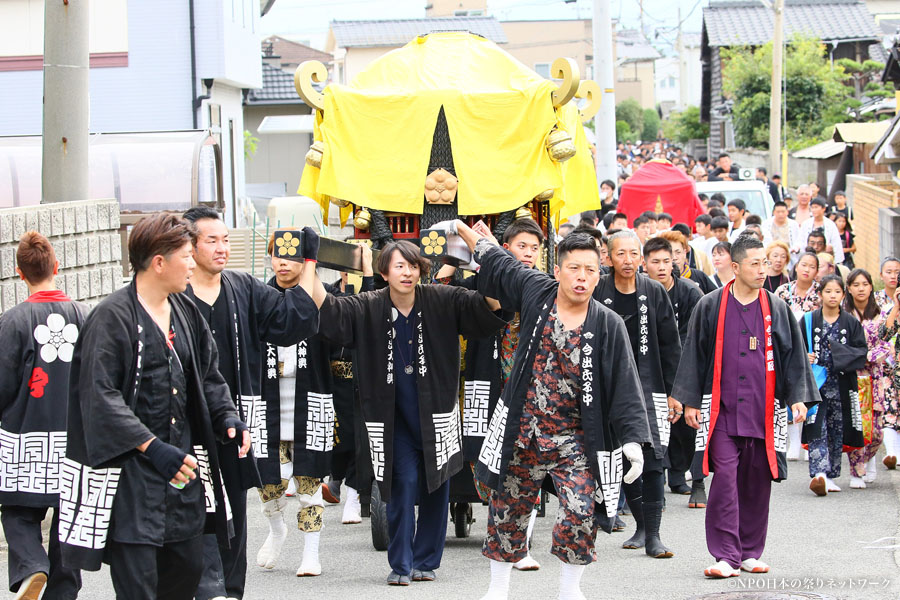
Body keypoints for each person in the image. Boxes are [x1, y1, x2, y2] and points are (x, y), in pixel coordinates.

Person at [452, 227, 651, 600]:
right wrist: (463, 228)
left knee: (580, 510)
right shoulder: (537, 291)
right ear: (557, 271)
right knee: (507, 510)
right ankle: (498, 588)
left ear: (599, 275)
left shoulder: (607, 323)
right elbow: (499, 261)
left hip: (575, 438)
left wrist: (632, 439)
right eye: (574, 268)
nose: (582, 277)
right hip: (522, 431)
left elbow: (625, 384)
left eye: (590, 271)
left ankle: (570, 591)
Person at [60, 214, 251, 599]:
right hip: (131, 477)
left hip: (181, 473)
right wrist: (150, 446)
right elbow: (99, 395)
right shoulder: (112, 317)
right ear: (159, 262)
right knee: (139, 586)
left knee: (187, 571)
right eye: (186, 255)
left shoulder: (184, 310)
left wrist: (227, 416)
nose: (193, 263)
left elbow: (208, 374)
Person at [313, 239, 506, 586]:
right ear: (384, 271)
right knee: (402, 485)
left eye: (413, 265)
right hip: (393, 420)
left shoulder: (443, 299)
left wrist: (486, 262)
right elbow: (329, 311)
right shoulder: (368, 306)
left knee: (438, 488)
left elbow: (489, 308)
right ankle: (400, 563)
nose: (407, 272)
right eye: (399, 266)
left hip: (439, 415)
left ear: (422, 270)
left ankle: (426, 561)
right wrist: (310, 264)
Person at [181, 207, 322, 600]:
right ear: (189, 246)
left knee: (233, 508)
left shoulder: (242, 289)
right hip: (186, 424)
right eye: (212, 240)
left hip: (237, 421)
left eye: (226, 239)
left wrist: (309, 262)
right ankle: (200, 588)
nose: (222, 248)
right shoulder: (175, 295)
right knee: (195, 510)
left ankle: (229, 590)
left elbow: (294, 318)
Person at [673, 233, 817, 578]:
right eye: (755, 263)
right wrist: (690, 402)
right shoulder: (710, 305)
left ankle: (750, 551)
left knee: (757, 481)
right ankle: (725, 554)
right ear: (735, 267)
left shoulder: (776, 308)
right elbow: (694, 353)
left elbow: (793, 355)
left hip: (763, 411)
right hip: (722, 411)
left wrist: (798, 397)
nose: (762, 269)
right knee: (724, 479)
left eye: (764, 262)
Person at [254, 230, 374, 576]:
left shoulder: (322, 298)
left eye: (292, 256)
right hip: (270, 403)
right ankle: (277, 530)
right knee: (269, 485)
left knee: (308, 485)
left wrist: (365, 275)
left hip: (311, 401)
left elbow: (360, 316)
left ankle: (311, 553)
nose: (282, 263)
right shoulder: (257, 296)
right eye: (277, 254)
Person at [438, 217, 547, 571]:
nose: (528, 254)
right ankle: (501, 529)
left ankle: (517, 544)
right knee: (479, 457)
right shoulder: (478, 282)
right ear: (504, 249)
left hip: (527, 390)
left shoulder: (543, 287)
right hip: (484, 383)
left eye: (534, 248)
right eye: (521, 247)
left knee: (525, 465)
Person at [0, 232, 85, 600]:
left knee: (18, 510)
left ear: (20, 273)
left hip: (25, 435)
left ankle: (33, 567)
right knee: (69, 521)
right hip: (75, 438)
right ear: (57, 267)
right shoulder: (86, 315)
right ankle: (62, 592)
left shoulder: (13, 320)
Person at [593, 231, 681, 558]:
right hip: (608, 389)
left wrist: (676, 393)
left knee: (654, 458)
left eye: (634, 254)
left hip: (650, 386)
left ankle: (654, 534)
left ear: (641, 257)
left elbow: (672, 347)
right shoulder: (598, 289)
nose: (628, 260)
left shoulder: (654, 292)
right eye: (621, 254)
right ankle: (640, 526)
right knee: (623, 459)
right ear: (608, 257)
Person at [642, 236, 707, 506]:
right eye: (655, 261)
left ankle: (687, 477)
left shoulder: (690, 292)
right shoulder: (639, 290)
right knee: (654, 422)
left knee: (687, 424)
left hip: (685, 364)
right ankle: (657, 479)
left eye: (666, 261)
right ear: (644, 264)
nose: (661, 267)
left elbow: (699, 333)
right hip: (650, 365)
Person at [802, 275, 867, 496]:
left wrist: (839, 354)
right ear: (820, 294)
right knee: (816, 426)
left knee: (837, 429)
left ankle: (830, 474)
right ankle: (819, 473)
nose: (832, 296)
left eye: (837, 292)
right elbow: (796, 348)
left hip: (841, 383)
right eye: (828, 291)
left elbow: (861, 351)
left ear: (843, 294)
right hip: (815, 383)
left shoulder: (850, 322)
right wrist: (806, 356)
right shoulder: (809, 320)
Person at [844, 269, 893, 488]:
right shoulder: (843, 314)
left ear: (871, 286)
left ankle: (867, 459)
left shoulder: (881, 313)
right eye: (856, 284)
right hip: (852, 376)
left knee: (875, 430)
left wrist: (868, 356)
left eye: (864, 284)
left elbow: (887, 343)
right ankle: (856, 471)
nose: (861, 288)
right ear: (849, 288)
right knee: (857, 425)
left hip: (874, 377)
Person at [878, 284, 900, 471]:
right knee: (890, 411)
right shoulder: (890, 311)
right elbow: (883, 335)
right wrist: (896, 307)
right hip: (892, 371)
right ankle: (892, 453)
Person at [798, 199, 844, 264]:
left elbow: (836, 244)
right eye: (812, 208)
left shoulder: (830, 225)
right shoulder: (806, 224)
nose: (813, 210)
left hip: (826, 259)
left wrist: (837, 261)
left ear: (823, 208)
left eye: (816, 207)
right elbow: (801, 241)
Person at [776, 252, 821, 318]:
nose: (807, 270)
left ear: (817, 272)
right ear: (796, 267)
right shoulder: (782, 290)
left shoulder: (821, 292)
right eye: (804, 265)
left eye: (812, 267)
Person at [762, 201, 802, 267]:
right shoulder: (766, 224)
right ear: (774, 212)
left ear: (787, 212)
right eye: (778, 212)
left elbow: (798, 240)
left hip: (789, 256)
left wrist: (796, 248)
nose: (780, 214)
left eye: (783, 212)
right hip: (771, 257)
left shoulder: (793, 224)